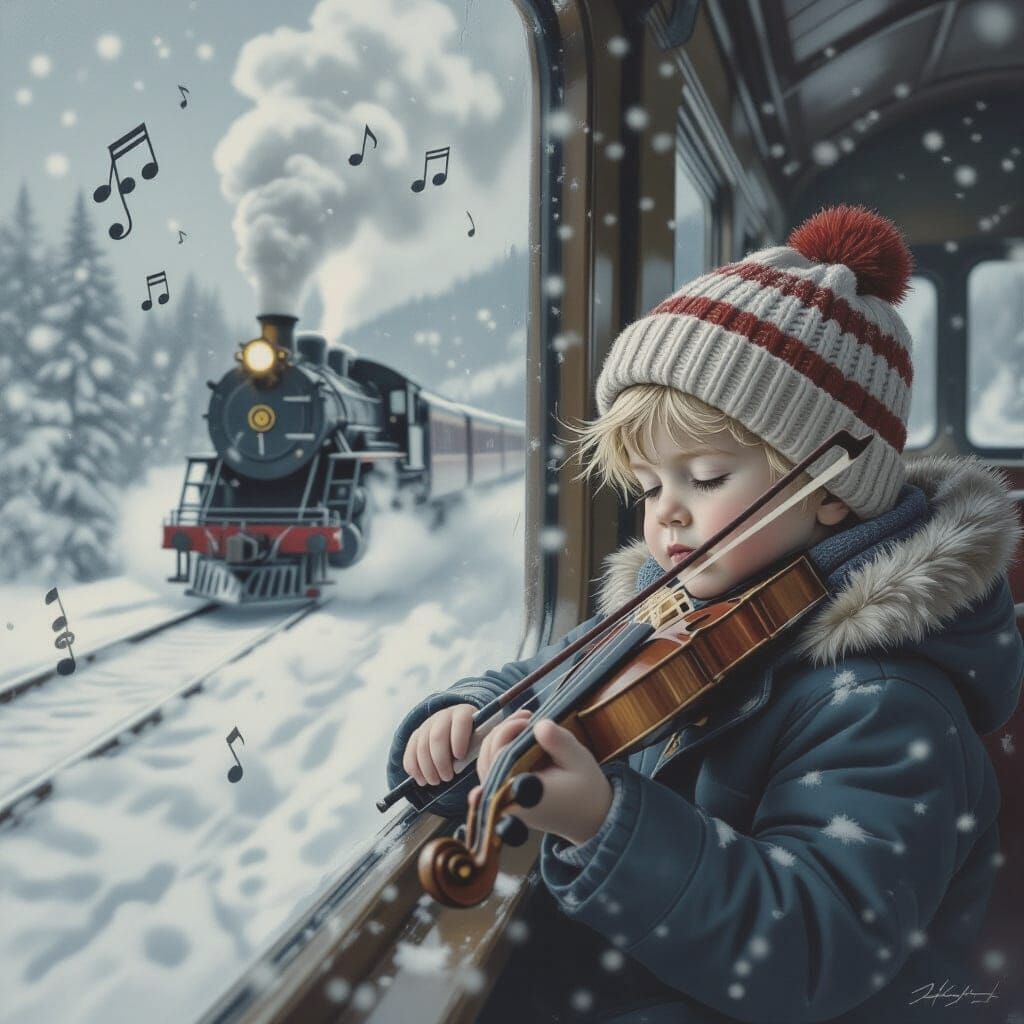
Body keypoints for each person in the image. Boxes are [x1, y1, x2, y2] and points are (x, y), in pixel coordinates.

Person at [386, 205, 1024, 1022]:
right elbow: (547, 678)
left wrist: (607, 822)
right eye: (651, 487)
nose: (666, 517)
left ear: (831, 489)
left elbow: (809, 950)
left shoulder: (890, 705)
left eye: (706, 477)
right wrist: (467, 718)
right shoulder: (682, 606)